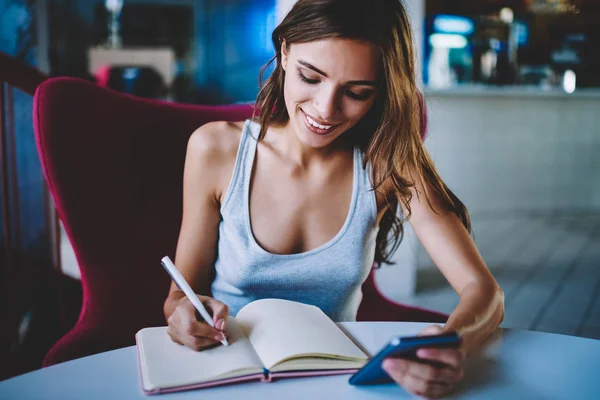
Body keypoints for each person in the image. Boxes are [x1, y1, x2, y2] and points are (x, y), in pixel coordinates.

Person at [163, 0, 504, 398]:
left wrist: (448, 344)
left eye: (357, 92)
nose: (325, 110)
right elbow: (178, 296)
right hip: (226, 377)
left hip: (335, 384)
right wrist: (183, 315)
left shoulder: (387, 166)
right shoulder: (215, 149)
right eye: (311, 77)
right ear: (285, 51)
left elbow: (485, 294)